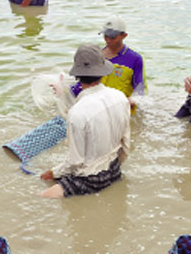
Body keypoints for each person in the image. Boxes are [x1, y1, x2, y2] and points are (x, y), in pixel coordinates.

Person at [40, 44, 131, 199]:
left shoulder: (77, 113)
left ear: (77, 75)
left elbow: (75, 162)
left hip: (90, 179)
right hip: (115, 171)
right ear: (103, 73)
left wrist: (52, 173)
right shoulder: (120, 97)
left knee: (40, 195)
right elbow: (126, 143)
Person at [71, 15, 147, 112]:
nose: (108, 40)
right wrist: (64, 90)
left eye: (113, 36)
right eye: (106, 35)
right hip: (97, 108)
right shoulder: (97, 56)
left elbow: (140, 88)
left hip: (121, 109)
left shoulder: (135, 59)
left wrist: (132, 100)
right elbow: (85, 81)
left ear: (124, 35)